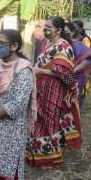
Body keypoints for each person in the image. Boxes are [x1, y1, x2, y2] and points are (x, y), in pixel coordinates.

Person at [26, 17, 82, 167]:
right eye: (45, 26)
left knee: (51, 121)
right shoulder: (47, 43)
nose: (45, 29)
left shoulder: (64, 47)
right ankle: (38, 155)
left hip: (54, 90)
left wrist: (40, 70)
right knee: (38, 119)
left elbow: (65, 74)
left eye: (48, 27)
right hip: (40, 88)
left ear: (59, 30)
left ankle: (52, 157)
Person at [0, 29, 36, 180]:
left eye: (2, 43)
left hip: (12, 127)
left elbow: (19, 103)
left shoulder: (23, 70)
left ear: (14, 46)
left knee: (11, 167)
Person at [65, 22, 91, 107]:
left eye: (67, 31)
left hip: (77, 81)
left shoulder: (84, 42)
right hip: (64, 81)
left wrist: (74, 69)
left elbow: (86, 60)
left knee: (74, 107)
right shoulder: (63, 44)